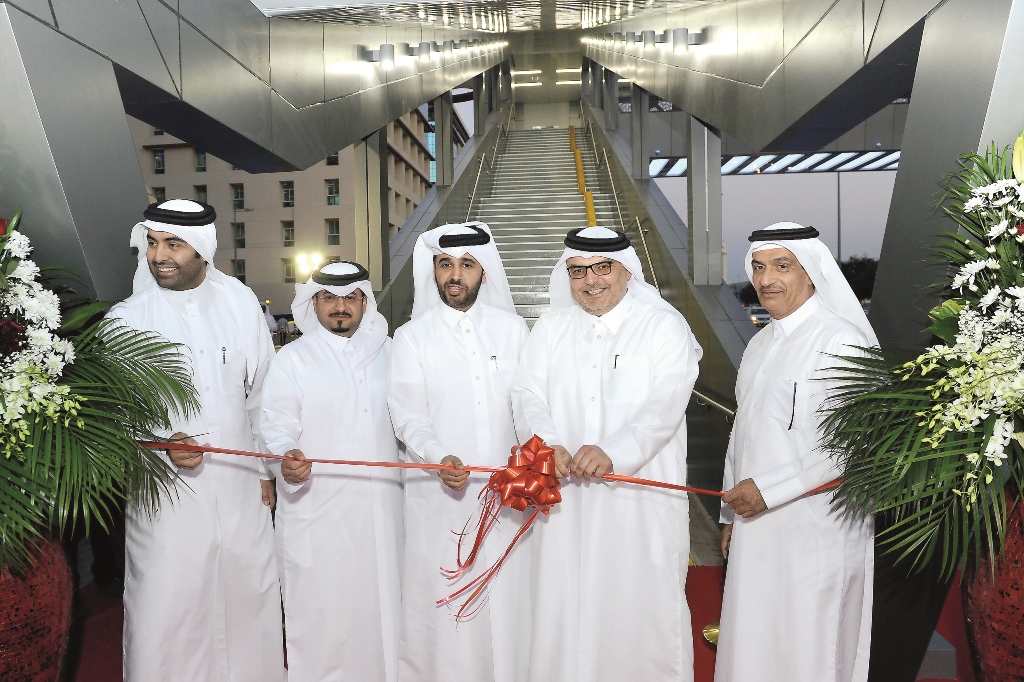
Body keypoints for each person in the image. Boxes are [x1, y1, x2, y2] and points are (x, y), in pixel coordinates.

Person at [514, 226, 702, 682]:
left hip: (638, 505)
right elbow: (526, 392)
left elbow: (666, 405)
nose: (590, 280)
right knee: (566, 604)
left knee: (640, 607)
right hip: (566, 504)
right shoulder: (551, 326)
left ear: (626, 271)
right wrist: (548, 441)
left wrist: (615, 452)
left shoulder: (662, 326)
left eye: (602, 268)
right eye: (578, 271)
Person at [107, 199, 283, 681]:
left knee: (249, 596)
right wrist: (161, 440)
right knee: (167, 607)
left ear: (203, 249)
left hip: (238, 484)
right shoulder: (125, 319)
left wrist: (266, 468)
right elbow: (112, 413)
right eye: (152, 242)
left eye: (174, 244)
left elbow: (264, 391)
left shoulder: (241, 302)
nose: (159, 254)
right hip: (164, 493)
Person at [715, 222, 875, 682]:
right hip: (753, 522)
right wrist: (728, 516)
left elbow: (852, 446)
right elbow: (742, 435)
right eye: (759, 267)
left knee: (810, 647)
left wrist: (768, 490)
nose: (767, 279)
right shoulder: (760, 344)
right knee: (754, 642)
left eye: (782, 266)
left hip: (817, 527)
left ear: (811, 272)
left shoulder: (843, 341)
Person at [388, 222, 532, 682]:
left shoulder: (514, 331)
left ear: (484, 272)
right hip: (441, 494)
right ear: (433, 271)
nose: (455, 275)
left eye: (466, 265)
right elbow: (408, 415)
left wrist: (532, 456)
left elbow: (530, 403)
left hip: (508, 495)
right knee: (444, 591)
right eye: (445, 264)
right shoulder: (412, 336)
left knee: (509, 596)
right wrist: (437, 455)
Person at [261, 261, 402, 682]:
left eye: (350, 298)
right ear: (313, 302)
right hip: (317, 510)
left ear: (365, 302)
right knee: (324, 610)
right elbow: (275, 425)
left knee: (382, 609)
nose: (340, 307)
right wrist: (287, 457)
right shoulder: (293, 359)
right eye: (328, 298)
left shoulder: (390, 351)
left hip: (382, 510)